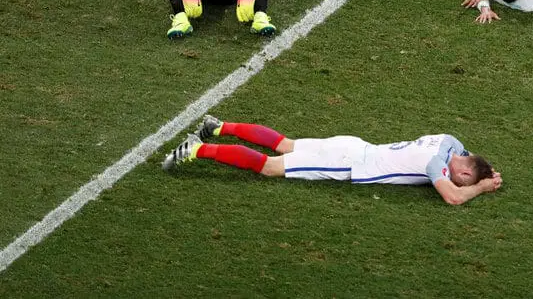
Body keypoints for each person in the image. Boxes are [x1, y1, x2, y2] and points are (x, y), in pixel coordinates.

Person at [162, 115, 502, 205]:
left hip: (353, 145)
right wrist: (483, 187)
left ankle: (218, 127)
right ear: (461, 169)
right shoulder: (436, 167)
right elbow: (453, 197)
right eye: (465, 177)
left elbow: (471, 157)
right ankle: (196, 149)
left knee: (284, 144)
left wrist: (484, 171)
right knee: (270, 167)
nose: (459, 180)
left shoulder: (449, 142)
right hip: (349, 163)